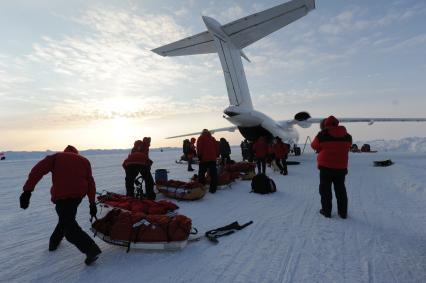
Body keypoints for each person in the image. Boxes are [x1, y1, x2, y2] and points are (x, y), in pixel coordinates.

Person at [20, 145, 102, 265]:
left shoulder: (56, 157)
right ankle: (54, 242)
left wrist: (27, 191)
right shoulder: (84, 160)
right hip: (78, 196)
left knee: (69, 227)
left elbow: (37, 170)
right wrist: (92, 203)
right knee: (66, 218)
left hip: (62, 196)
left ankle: (91, 249)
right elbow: (91, 183)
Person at [311, 116, 352, 219]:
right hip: (341, 167)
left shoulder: (322, 134)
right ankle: (343, 213)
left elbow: (313, 145)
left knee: (325, 190)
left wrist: (322, 147)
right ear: (337, 123)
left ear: (326, 124)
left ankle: (326, 211)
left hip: (326, 167)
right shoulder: (347, 136)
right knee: (340, 190)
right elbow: (348, 146)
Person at [196, 129, 219, 193]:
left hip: (204, 159)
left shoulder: (201, 138)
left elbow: (199, 147)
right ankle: (213, 189)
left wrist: (199, 156)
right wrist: (216, 155)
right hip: (212, 159)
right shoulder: (213, 138)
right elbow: (217, 147)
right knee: (213, 174)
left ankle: (201, 187)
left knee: (201, 174)